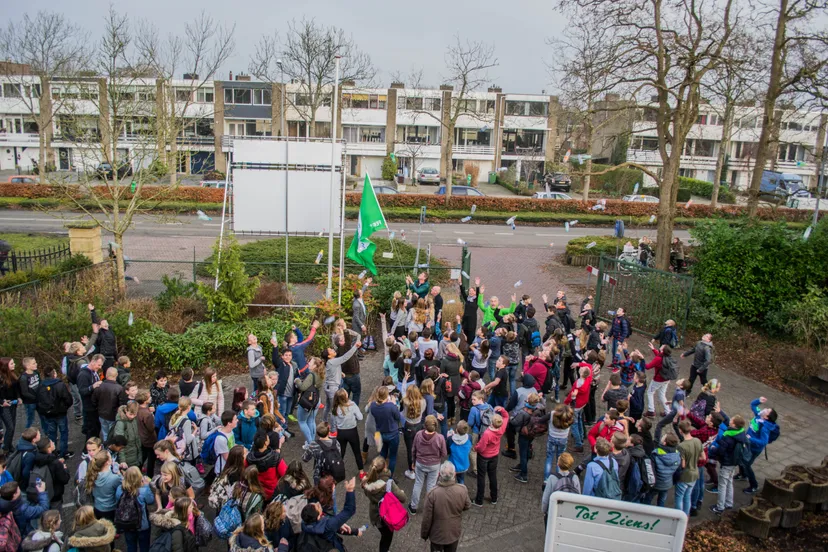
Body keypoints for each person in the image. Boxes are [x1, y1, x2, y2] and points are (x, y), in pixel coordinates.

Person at [420, 462, 470, 552]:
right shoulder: (462, 489)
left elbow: (427, 518)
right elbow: (467, 505)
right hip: (454, 533)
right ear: (454, 474)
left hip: (437, 535)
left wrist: (424, 534)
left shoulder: (432, 494)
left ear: (439, 474)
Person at [300, 476, 358, 552]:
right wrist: (350, 490)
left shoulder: (305, 522)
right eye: (318, 506)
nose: (318, 503)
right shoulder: (328, 525)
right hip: (332, 546)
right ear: (318, 517)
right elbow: (349, 511)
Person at [362, 456, 407, 552]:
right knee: (387, 537)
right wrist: (401, 492)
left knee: (384, 534)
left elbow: (367, 494)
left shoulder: (366, 482)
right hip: (387, 515)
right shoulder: (388, 483)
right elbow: (403, 498)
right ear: (384, 467)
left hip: (375, 514)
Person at [740, 396, 779, 494]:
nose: (764, 409)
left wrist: (750, 439)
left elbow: (763, 442)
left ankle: (754, 485)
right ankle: (742, 474)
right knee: (741, 458)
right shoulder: (759, 415)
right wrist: (759, 401)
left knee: (747, 465)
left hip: (754, 449)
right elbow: (753, 404)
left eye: (767, 411)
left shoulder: (765, 427)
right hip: (747, 443)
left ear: (766, 417)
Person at [408, 415, 447, 515]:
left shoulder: (418, 435)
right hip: (434, 465)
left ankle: (413, 506)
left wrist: (413, 461)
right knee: (431, 486)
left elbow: (413, 449)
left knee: (418, 483)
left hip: (420, 463)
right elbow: (444, 454)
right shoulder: (440, 438)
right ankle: (429, 508)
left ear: (425, 425)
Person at [709, 415, 748, 514]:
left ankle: (720, 507)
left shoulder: (729, 436)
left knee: (722, 485)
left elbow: (721, 451)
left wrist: (714, 449)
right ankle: (729, 503)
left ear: (734, 424)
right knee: (729, 482)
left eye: (731, 419)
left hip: (726, 463)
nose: (729, 420)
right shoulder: (740, 433)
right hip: (734, 463)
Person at [36, 366, 74, 460]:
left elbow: (38, 401)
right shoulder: (59, 384)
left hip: (48, 414)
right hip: (60, 413)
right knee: (63, 432)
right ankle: (63, 452)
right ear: (54, 374)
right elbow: (68, 399)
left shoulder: (41, 385)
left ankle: (52, 452)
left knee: (51, 433)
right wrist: (64, 408)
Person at [114, 467, 154, 552]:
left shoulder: (119, 489)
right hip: (142, 524)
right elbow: (151, 501)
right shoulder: (143, 491)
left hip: (126, 523)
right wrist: (147, 485)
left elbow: (117, 500)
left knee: (130, 545)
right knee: (144, 546)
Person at [322, 339, 360, 425]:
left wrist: (340, 373)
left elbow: (332, 371)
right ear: (329, 356)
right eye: (330, 350)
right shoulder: (333, 361)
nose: (333, 350)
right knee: (334, 409)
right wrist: (355, 347)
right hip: (333, 388)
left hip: (328, 387)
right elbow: (345, 357)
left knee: (328, 406)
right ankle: (333, 429)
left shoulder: (329, 362)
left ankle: (324, 421)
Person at [369, 386, 404, 476]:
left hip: (379, 433)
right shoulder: (391, 407)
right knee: (392, 456)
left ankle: (378, 471)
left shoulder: (373, 406)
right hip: (392, 433)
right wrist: (394, 404)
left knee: (382, 453)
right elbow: (398, 417)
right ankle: (390, 476)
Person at [330, 389, 364, 478]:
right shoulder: (352, 405)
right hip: (352, 431)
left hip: (341, 432)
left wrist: (334, 430)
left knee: (341, 452)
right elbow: (360, 417)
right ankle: (361, 472)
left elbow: (333, 422)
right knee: (356, 452)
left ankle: (336, 471)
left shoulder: (335, 408)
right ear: (346, 396)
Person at [29, 438, 70, 508]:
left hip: (43, 492)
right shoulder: (55, 463)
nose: (53, 443)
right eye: (51, 443)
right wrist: (65, 469)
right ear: (48, 449)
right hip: (55, 494)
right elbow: (65, 479)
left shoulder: (37, 459)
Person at [246, 433, 286, 502]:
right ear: (265, 443)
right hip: (273, 492)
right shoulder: (275, 457)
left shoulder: (249, 458)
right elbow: (285, 473)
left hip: (257, 492)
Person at [542, 452, 580, 521]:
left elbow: (546, 498)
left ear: (558, 464)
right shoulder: (575, 477)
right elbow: (578, 496)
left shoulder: (552, 478)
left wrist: (545, 511)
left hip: (554, 512)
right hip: (569, 513)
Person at [92, 367, 126, 442]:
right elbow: (122, 404)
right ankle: (111, 449)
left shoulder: (99, 386)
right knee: (112, 434)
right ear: (116, 375)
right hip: (112, 415)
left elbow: (93, 400)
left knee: (105, 433)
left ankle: (106, 447)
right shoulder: (119, 388)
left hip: (101, 414)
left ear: (106, 375)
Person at [85, 450, 122, 521]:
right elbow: (123, 485)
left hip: (97, 508)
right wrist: (119, 473)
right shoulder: (114, 478)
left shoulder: (92, 475)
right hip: (110, 509)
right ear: (107, 462)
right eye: (110, 458)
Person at [564, 366, 593, 453]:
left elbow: (571, 395)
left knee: (574, 424)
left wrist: (565, 402)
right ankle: (581, 436)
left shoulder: (578, 384)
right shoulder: (588, 379)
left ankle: (578, 444)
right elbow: (589, 367)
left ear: (581, 374)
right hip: (583, 403)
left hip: (576, 405)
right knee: (580, 420)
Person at [295, 358, 325, 444]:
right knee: (311, 420)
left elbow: (303, 387)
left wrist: (297, 381)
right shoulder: (321, 374)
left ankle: (311, 443)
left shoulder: (312, 375)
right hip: (316, 400)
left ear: (315, 365)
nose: (308, 363)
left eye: (310, 362)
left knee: (302, 421)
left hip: (307, 402)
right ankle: (312, 440)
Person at [649, 434, 681, 507]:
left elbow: (651, 470)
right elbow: (678, 472)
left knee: (649, 498)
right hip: (667, 483)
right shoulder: (677, 454)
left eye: (663, 438)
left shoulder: (656, 453)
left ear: (664, 443)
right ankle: (660, 514)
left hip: (656, 483)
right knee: (662, 500)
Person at [134, 391, 157, 478]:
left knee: (142, 456)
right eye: (149, 397)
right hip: (149, 439)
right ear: (145, 401)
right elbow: (151, 428)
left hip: (140, 437)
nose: (151, 397)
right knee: (151, 459)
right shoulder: (147, 415)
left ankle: (137, 471)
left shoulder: (137, 410)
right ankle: (149, 476)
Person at [0, 358, 21, 452]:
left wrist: (19, 397)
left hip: (13, 403)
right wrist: (2, 402)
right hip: (4, 406)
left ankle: (9, 445)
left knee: (13, 426)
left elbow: (16, 388)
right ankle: (5, 449)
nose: (14, 364)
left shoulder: (12, 375)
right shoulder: (1, 378)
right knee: (10, 427)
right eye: (12, 363)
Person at [88, 304, 117, 369]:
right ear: (100, 326)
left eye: (106, 322)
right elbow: (95, 323)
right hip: (103, 357)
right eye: (103, 322)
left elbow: (114, 346)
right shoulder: (100, 332)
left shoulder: (111, 332)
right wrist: (92, 311)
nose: (106, 323)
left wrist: (116, 358)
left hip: (111, 357)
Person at [18, 357, 40, 429]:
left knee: (43, 417)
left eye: (36, 362)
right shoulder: (24, 377)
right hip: (30, 402)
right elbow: (24, 392)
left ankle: (47, 433)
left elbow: (40, 383)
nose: (36, 364)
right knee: (30, 418)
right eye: (33, 363)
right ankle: (27, 433)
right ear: (27, 366)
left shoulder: (36, 373)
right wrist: (35, 397)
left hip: (39, 399)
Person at [459, 277, 480, 342]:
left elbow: (479, 294)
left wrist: (477, 285)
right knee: (464, 334)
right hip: (465, 319)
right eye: (469, 291)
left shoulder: (476, 300)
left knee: (471, 335)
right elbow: (463, 293)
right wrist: (460, 284)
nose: (470, 292)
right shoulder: (467, 299)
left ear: (474, 292)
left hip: (472, 320)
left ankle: (470, 348)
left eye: (472, 291)